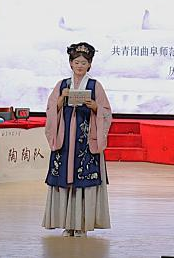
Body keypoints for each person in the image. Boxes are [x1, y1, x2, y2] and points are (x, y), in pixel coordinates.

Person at [43, 41, 113, 236]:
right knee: (64, 179)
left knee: (84, 182)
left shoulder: (95, 85)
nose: (80, 66)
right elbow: (50, 110)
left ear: (89, 65)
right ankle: (67, 224)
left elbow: (107, 112)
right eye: (76, 62)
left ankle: (82, 225)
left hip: (85, 140)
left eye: (83, 62)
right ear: (70, 64)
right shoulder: (62, 85)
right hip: (65, 140)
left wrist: (95, 107)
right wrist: (61, 98)